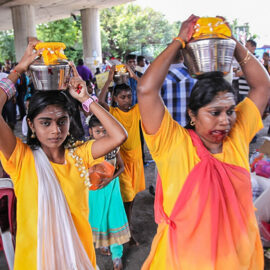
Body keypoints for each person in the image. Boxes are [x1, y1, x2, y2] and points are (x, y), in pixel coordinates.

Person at [137, 15, 270, 270]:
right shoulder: (172, 142)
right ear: (192, 115)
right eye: (214, 113)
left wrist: (231, 42)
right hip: (183, 261)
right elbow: (146, 90)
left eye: (230, 111)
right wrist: (179, 40)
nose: (225, 121)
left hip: (238, 258)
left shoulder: (236, 137)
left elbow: (263, 86)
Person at [0, 42, 127, 270]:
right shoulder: (21, 159)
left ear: (70, 120)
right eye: (45, 123)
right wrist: (18, 70)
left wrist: (86, 99)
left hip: (79, 258)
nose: (55, 130)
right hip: (36, 262)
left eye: (62, 121)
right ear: (31, 124)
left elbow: (119, 135)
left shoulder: (79, 154)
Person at [99, 67, 145, 245]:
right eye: (123, 97)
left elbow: (148, 92)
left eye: (129, 96)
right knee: (127, 197)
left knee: (132, 198)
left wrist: (134, 76)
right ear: (115, 99)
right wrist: (110, 79)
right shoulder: (113, 112)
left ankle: (126, 227)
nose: (127, 100)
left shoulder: (136, 111)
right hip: (122, 160)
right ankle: (126, 231)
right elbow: (100, 101)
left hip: (137, 159)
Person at [88, 115, 130, 270]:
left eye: (105, 131)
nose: (102, 134)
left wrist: (110, 179)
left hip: (112, 189)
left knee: (114, 218)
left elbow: (122, 167)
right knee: (98, 218)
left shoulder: (114, 147)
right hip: (94, 191)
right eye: (98, 131)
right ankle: (102, 243)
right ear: (91, 131)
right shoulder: (87, 149)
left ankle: (117, 255)